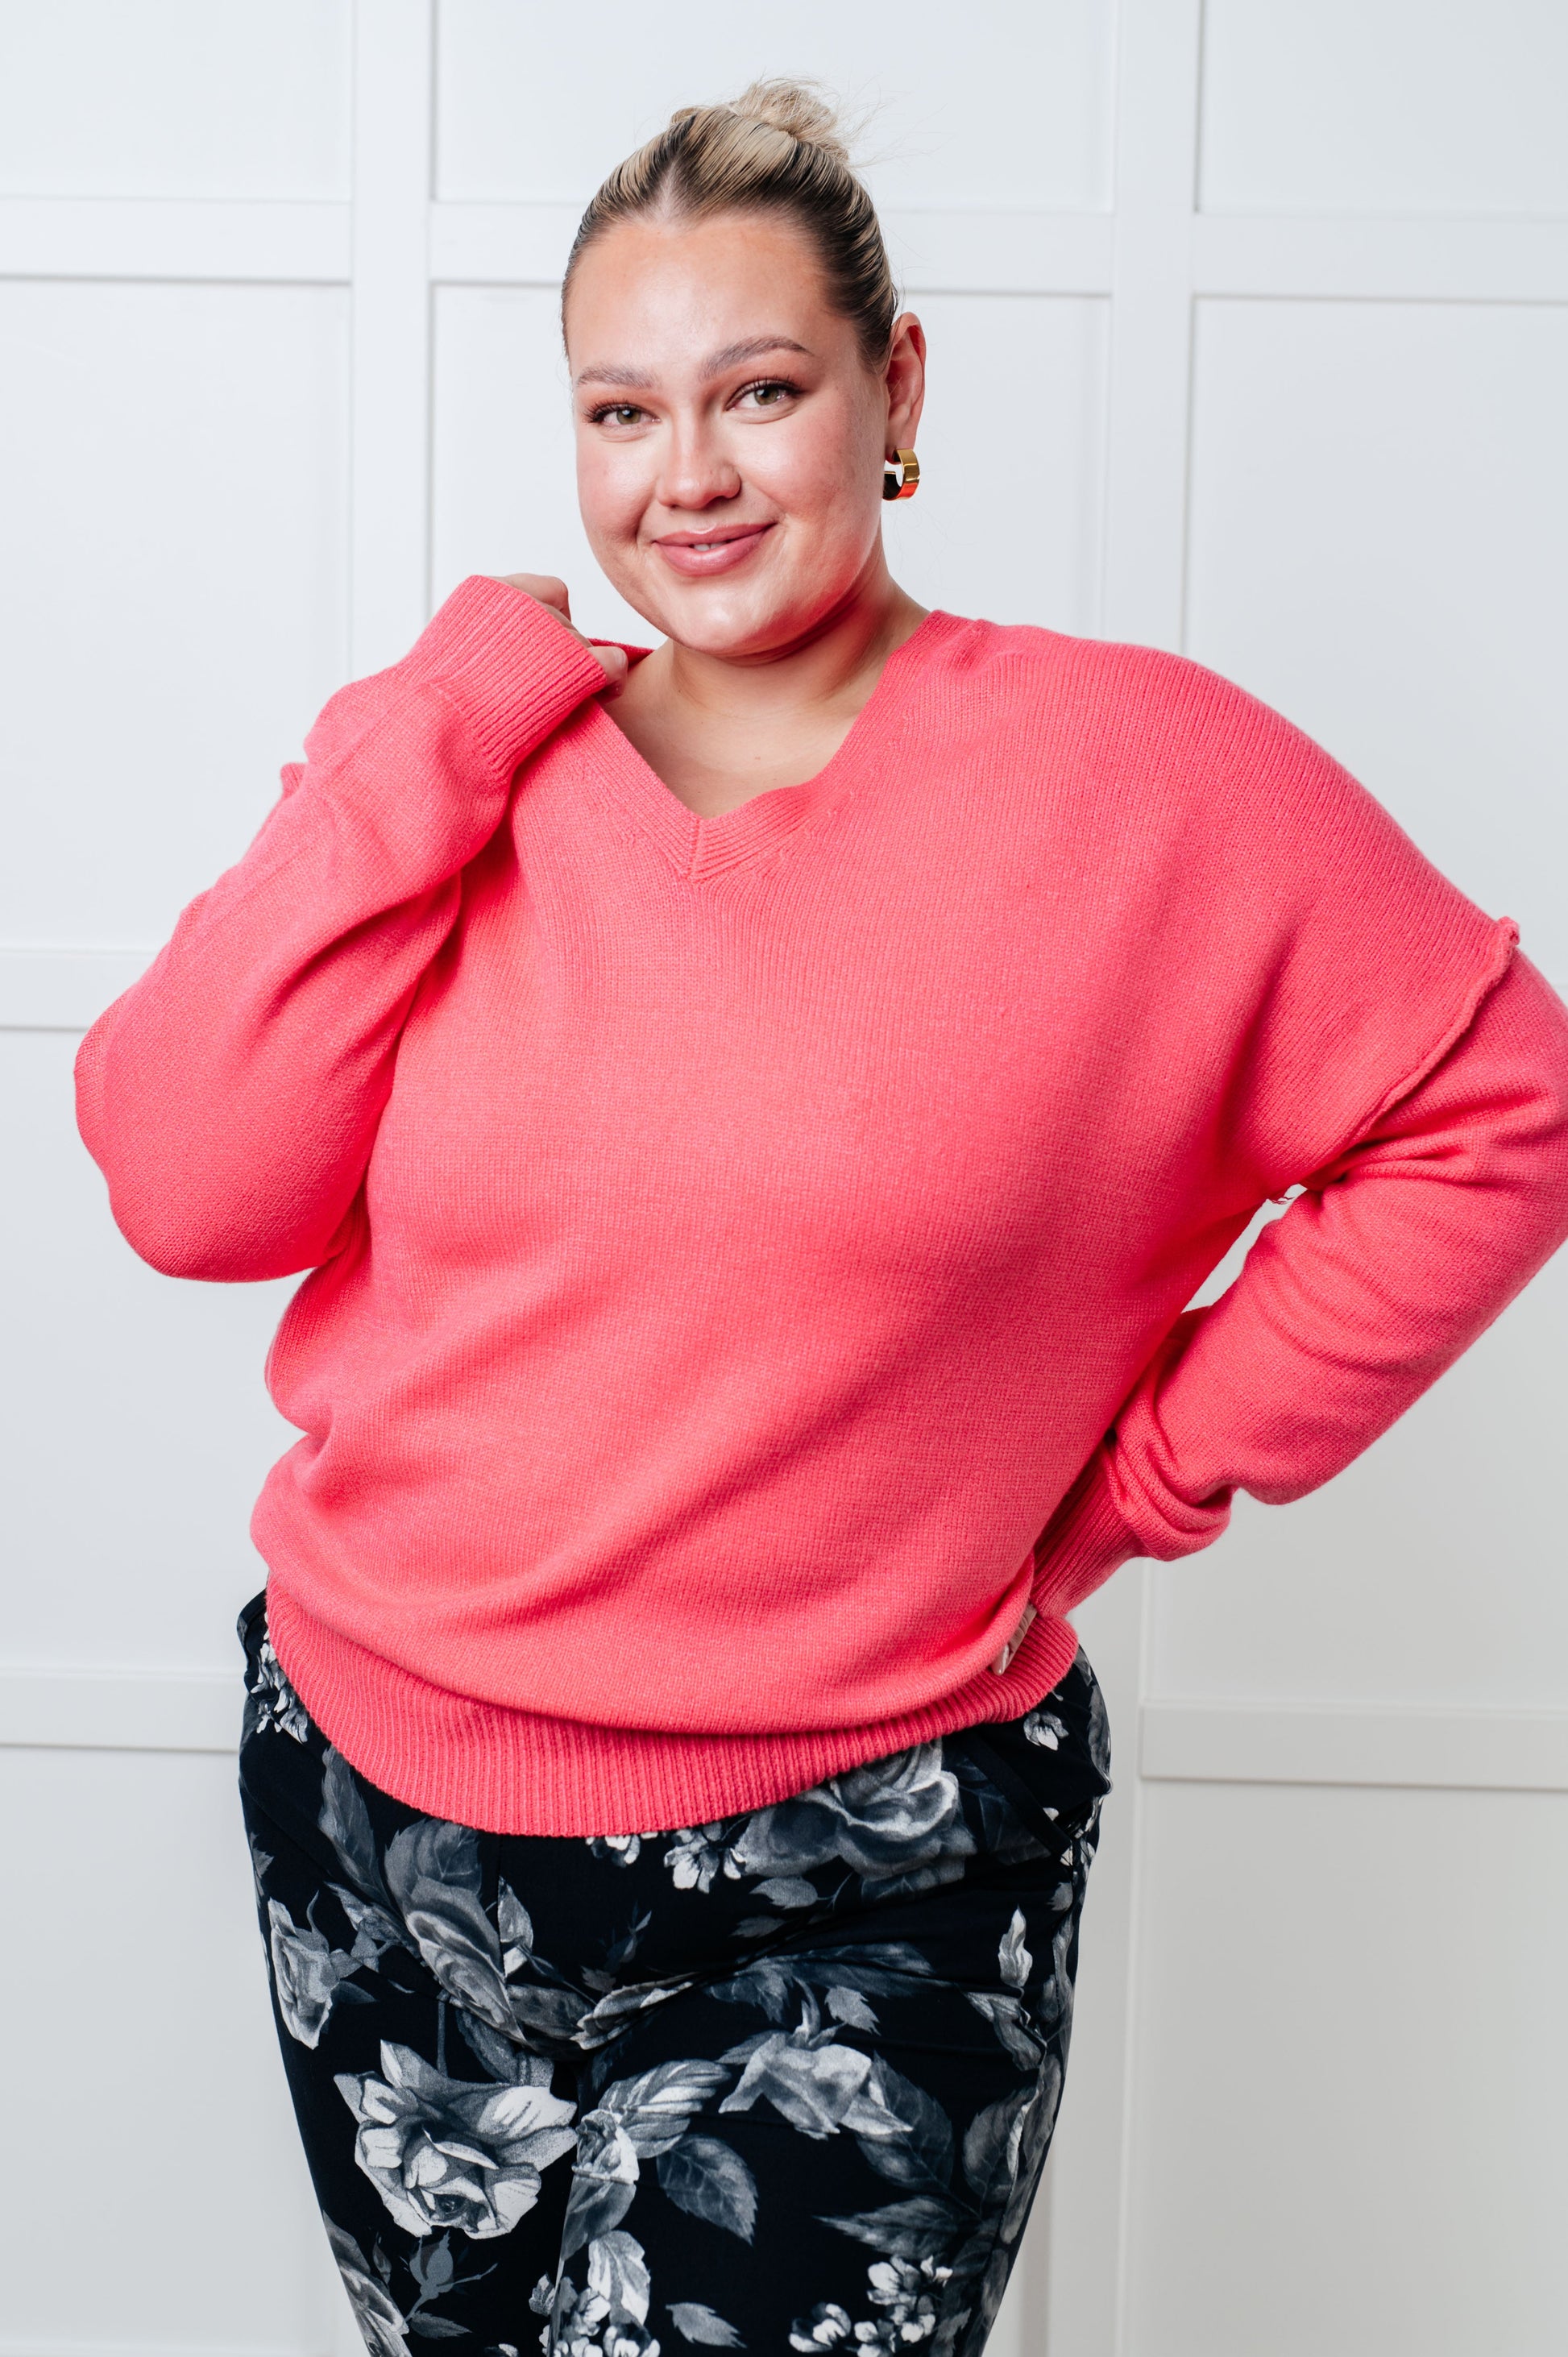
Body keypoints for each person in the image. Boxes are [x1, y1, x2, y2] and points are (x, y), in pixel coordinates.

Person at [76, 79, 1568, 2357]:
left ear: (895, 393)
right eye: (619, 409)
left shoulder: (1138, 782)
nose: (686, 474)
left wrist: (1149, 1471)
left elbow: (1497, 1103)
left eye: (757, 391)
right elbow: (184, 1186)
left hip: (865, 1851)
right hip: (385, 1814)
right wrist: (430, 728)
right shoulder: (470, 773)